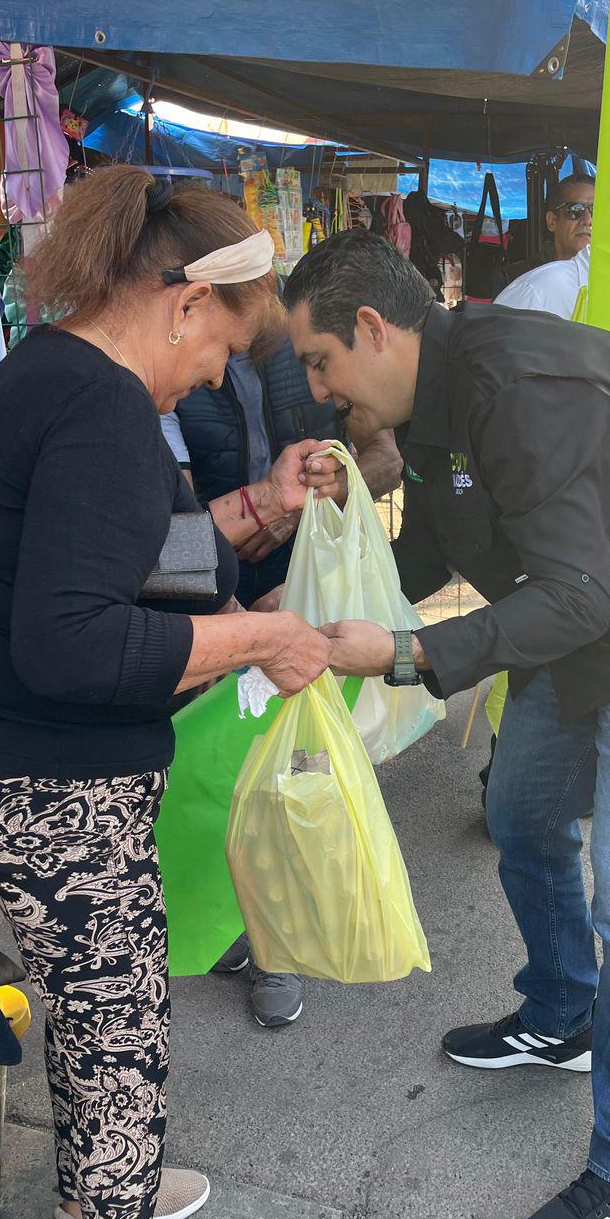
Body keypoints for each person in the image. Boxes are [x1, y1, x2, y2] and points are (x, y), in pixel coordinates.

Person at [0, 168, 341, 1219]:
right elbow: (76, 639)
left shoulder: (48, 371)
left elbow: (148, 560)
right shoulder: (98, 409)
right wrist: (263, 637)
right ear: (185, 300)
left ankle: (96, 1202)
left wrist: (262, 502)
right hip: (39, 787)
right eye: (223, 351)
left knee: (92, 1005)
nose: (216, 377)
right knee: (117, 1024)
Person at [285, 231, 610, 1219]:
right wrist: (332, 550)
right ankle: (564, 1011)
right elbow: (442, 549)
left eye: (318, 361)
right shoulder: (430, 400)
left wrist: (411, 654)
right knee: (519, 812)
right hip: (590, 608)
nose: (315, 389)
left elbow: (571, 595)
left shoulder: (520, 386)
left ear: (373, 330)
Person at [166, 340, 403, 1027]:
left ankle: (278, 941)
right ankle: (221, 911)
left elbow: (385, 456)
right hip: (205, 610)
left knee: (296, 774)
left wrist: (339, 482)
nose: (211, 368)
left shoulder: (312, 353)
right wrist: (256, 511)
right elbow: (156, 546)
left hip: (294, 599)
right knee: (215, 775)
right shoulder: (151, 385)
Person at [493, 172, 594, 321]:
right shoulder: (519, 281)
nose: (588, 220)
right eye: (575, 210)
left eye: (595, 210)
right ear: (552, 221)